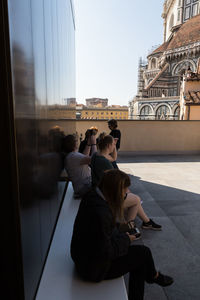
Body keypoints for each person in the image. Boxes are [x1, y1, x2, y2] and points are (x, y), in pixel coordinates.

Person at [71, 169, 173, 300]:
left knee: (140, 256)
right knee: (143, 254)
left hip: (83, 257)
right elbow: (106, 251)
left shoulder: (93, 196)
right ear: (115, 192)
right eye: (125, 193)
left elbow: (100, 232)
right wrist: (127, 239)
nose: (126, 195)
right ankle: (153, 277)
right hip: (93, 268)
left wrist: (120, 227)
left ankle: (153, 276)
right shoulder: (101, 213)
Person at [91, 135, 162, 231]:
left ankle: (147, 222)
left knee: (132, 197)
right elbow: (114, 184)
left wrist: (114, 146)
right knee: (136, 200)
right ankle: (128, 227)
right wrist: (124, 191)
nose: (114, 146)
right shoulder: (104, 162)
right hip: (107, 197)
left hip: (99, 192)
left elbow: (113, 158)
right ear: (108, 145)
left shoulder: (97, 155)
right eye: (113, 144)